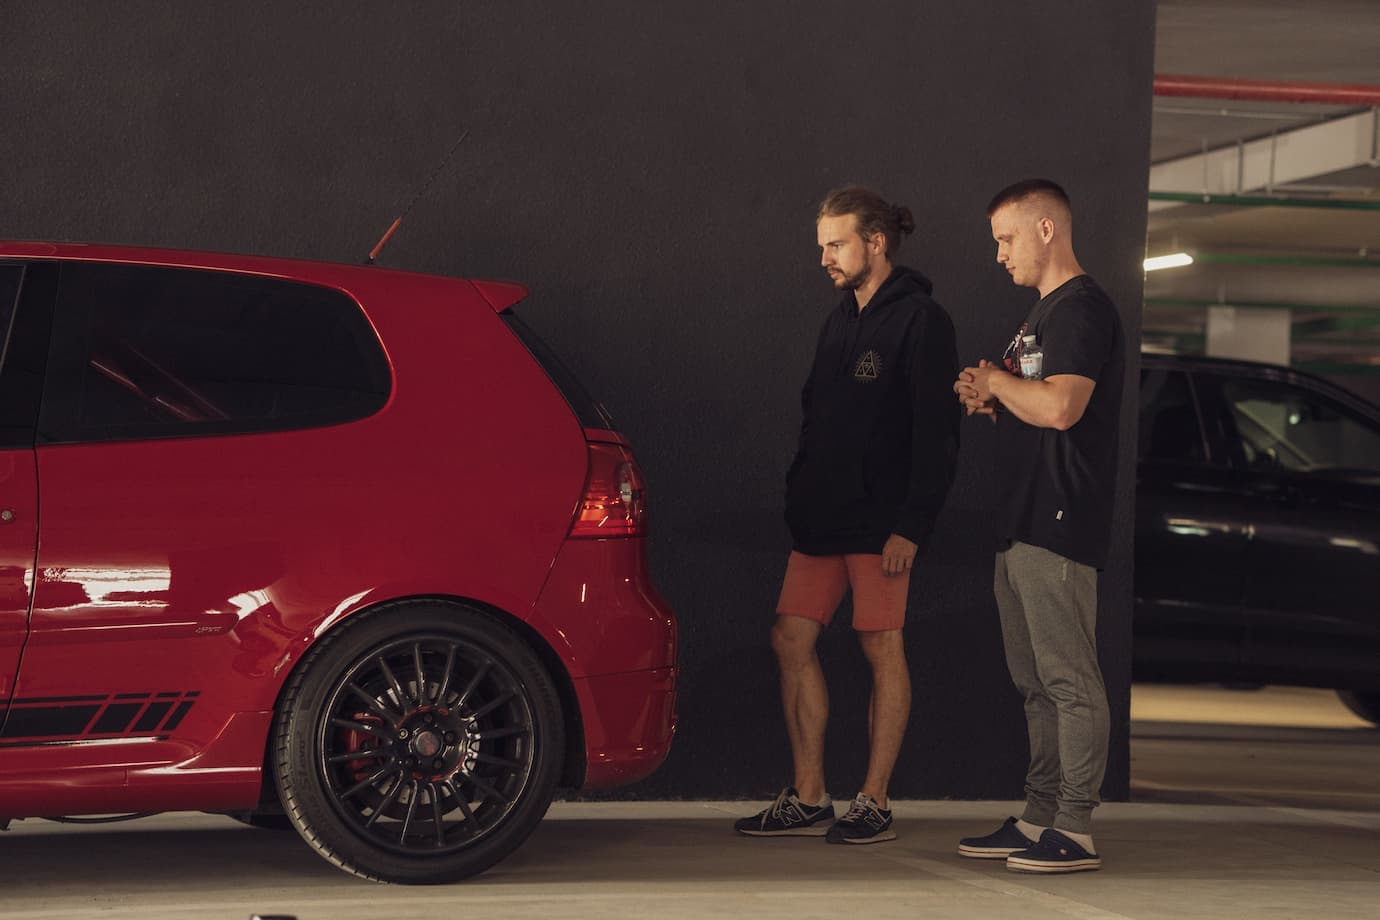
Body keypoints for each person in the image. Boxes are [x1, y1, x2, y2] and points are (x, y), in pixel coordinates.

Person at [735, 186, 959, 845]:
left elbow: (939, 435)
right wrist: (799, 491)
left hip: (883, 521)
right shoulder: (839, 320)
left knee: (879, 645)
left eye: (836, 244)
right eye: (822, 246)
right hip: (822, 518)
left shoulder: (923, 320)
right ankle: (809, 796)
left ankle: (875, 800)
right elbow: (816, 418)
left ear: (876, 243)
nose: (825, 258)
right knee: (790, 638)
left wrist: (912, 525)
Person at [952, 178, 1124, 873]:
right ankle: (1039, 816)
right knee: (1035, 684)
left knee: (1068, 680)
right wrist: (995, 393)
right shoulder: (1040, 316)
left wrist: (999, 385)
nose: (999, 255)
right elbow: (1037, 402)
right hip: (1020, 523)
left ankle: (1075, 829)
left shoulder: (1081, 309)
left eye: (1006, 238)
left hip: (1057, 523)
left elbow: (1061, 410)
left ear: (1046, 229)